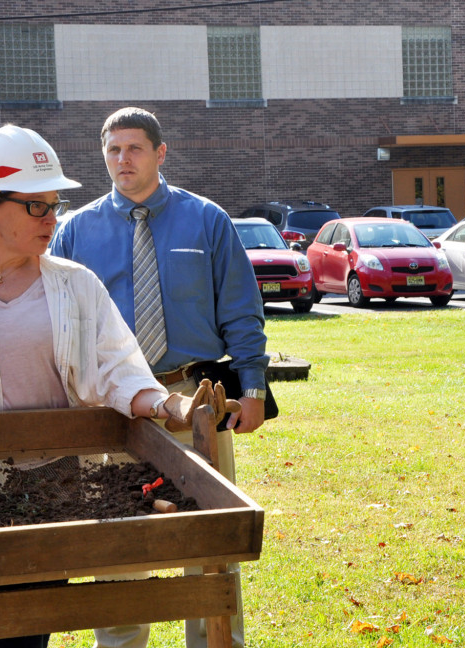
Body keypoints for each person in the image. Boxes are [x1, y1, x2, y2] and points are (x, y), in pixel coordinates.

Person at [0, 124, 233, 648]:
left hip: (48, 499)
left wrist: (173, 405)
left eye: (54, 205)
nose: (52, 219)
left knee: (27, 637)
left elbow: (119, 374)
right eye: (36, 206)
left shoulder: (77, 287)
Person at [50, 107, 268, 648]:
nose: (122, 159)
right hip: (112, 404)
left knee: (210, 531)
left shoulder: (207, 220)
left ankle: (217, 640)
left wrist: (254, 390)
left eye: (135, 148)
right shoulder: (76, 231)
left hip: (194, 395)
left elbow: (242, 310)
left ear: (160, 152)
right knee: (121, 534)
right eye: (113, 149)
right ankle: (120, 643)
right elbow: (48, 315)